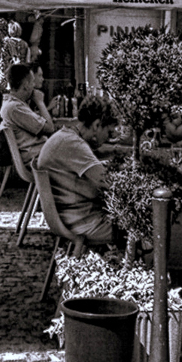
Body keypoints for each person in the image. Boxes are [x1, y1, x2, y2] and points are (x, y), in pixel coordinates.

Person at [36, 96, 121, 249]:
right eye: (109, 133)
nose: (110, 138)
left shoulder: (65, 136)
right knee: (146, 224)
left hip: (69, 217)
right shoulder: (74, 144)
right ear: (96, 125)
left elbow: (96, 157)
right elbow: (109, 182)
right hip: (83, 223)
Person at [0, 62, 54, 184]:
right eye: (32, 82)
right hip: (38, 159)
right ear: (25, 85)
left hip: (40, 154)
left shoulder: (14, 104)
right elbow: (50, 128)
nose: (34, 86)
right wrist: (40, 102)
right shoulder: (15, 108)